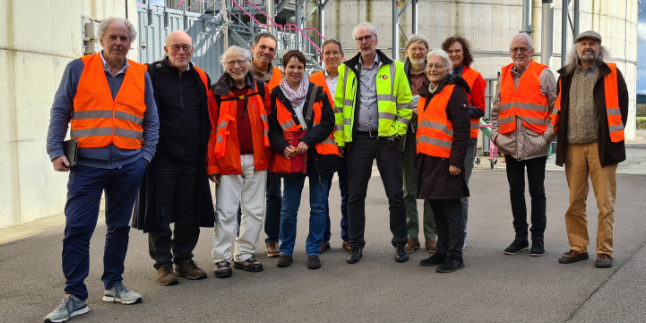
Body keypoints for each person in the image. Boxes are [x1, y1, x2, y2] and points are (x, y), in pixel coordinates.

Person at [45, 17, 159, 322]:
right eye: (113, 37)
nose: (118, 43)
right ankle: (75, 295)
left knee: (119, 227)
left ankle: (113, 283)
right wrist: (55, 150)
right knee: (78, 229)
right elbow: (60, 111)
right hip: (86, 166)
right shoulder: (78, 68)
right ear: (102, 39)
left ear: (131, 42)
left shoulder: (140, 74)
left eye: (124, 38)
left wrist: (144, 158)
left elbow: (151, 121)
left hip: (128, 165)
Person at [132, 30, 216, 286]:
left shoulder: (200, 76)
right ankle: (163, 264)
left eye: (186, 47)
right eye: (176, 47)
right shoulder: (150, 73)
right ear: (166, 49)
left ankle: (184, 260)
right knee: (160, 212)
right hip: (161, 158)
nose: (182, 52)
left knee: (189, 212)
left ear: (192, 50)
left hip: (193, 157)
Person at [334, 22, 413, 264]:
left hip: (386, 141)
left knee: (395, 195)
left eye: (368, 37)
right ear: (356, 43)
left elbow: (405, 104)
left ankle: (400, 244)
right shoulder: (346, 70)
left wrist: (397, 133)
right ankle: (356, 245)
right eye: (360, 39)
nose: (364, 42)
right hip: (358, 141)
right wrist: (341, 140)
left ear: (376, 40)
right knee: (355, 195)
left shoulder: (395, 68)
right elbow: (339, 107)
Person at [552, 31, 628, 268]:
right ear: (577, 49)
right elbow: (559, 108)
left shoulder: (611, 73)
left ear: (599, 48)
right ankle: (578, 248)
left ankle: (604, 251)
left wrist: (608, 136)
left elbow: (622, 107)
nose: (588, 47)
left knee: (605, 201)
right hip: (573, 146)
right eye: (583, 43)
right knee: (575, 201)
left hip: (601, 147)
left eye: (592, 43)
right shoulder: (565, 76)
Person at [269, 50, 338, 269]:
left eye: (300, 67)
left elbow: (329, 122)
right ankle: (286, 249)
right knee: (289, 207)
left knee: (318, 206)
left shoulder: (318, 92)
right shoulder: (275, 94)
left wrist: (307, 140)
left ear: (304, 68)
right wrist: (282, 147)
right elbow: (271, 129)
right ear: (284, 68)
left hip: (318, 157)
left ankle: (313, 250)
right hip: (292, 157)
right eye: (291, 67)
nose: (296, 71)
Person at [491, 33, 557, 257]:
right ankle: (520, 238)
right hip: (510, 144)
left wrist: (546, 137)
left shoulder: (544, 74)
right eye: (514, 49)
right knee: (515, 192)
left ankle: (538, 238)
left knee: (537, 192)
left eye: (523, 49)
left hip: (536, 144)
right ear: (511, 52)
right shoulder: (504, 75)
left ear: (531, 51)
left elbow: (556, 109)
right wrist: (495, 135)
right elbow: (496, 109)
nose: (518, 53)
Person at [210, 46, 272, 278]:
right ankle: (222, 258)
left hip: (257, 158)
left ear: (249, 62)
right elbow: (210, 130)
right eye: (230, 63)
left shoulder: (261, 89)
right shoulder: (216, 92)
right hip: (227, 160)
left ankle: (244, 254)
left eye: (240, 62)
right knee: (226, 212)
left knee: (254, 210)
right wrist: (212, 165)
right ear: (224, 66)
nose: (236, 67)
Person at [416, 50, 470, 273]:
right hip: (428, 162)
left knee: (451, 211)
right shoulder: (426, 93)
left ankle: (455, 256)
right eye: (430, 65)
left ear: (448, 69)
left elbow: (462, 130)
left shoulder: (455, 93)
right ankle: (442, 250)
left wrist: (456, 161)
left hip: (447, 162)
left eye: (438, 66)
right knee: (436, 209)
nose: (433, 69)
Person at [442, 36, 487, 249]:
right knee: (443, 189)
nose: (453, 55)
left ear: (464, 53)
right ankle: (446, 235)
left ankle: (461, 235)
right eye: (450, 51)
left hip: (466, 140)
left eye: (457, 51)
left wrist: (458, 109)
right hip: (442, 140)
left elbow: (480, 107)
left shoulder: (475, 77)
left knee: (460, 188)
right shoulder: (440, 74)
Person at [309, 38, 351, 253]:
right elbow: (309, 116)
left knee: (348, 193)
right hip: (322, 147)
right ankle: (323, 237)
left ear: (342, 56)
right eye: (327, 53)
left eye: (336, 52)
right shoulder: (312, 80)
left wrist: (343, 141)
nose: (332, 56)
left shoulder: (352, 78)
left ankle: (348, 236)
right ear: (322, 56)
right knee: (321, 196)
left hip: (347, 146)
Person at [402, 35, 438, 254]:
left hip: (431, 138)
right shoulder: (398, 75)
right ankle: (412, 235)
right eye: (414, 49)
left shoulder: (436, 74)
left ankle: (431, 235)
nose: (417, 52)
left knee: (431, 188)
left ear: (427, 51)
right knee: (409, 190)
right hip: (406, 139)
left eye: (421, 49)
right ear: (407, 52)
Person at [251, 32, 284, 258]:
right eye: (263, 47)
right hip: (248, 144)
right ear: (254, 47)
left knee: (274, 195)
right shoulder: (239, 70)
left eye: (271, 49)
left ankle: (272, 240)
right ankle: (244, 242)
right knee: (246, 198)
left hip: (272, 143)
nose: (267, 52)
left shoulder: (279, 74)